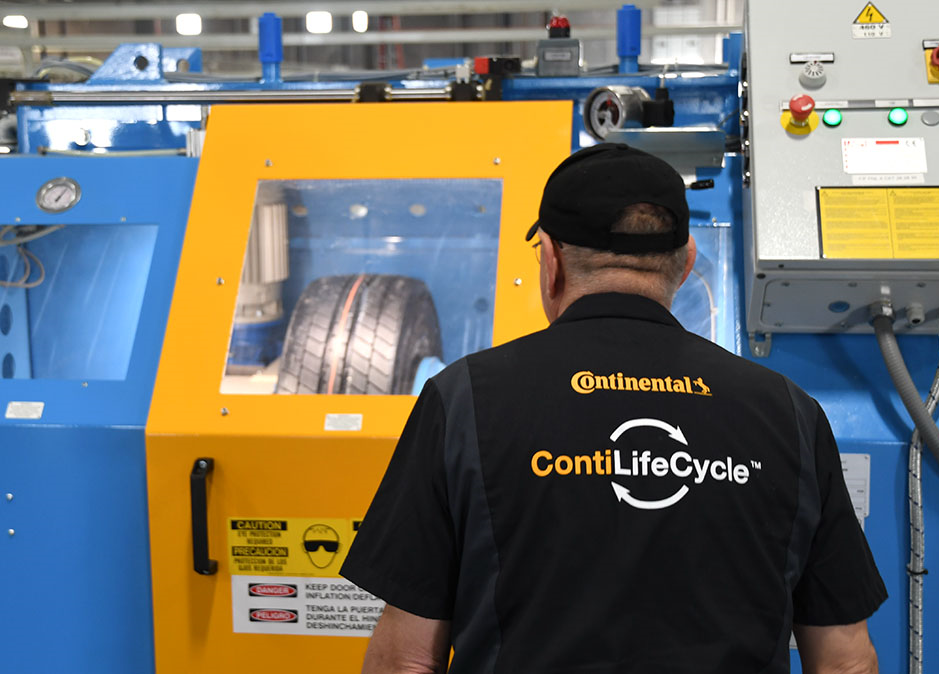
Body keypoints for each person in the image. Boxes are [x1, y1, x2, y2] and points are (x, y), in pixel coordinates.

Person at [340, 143, 886, 673]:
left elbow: (407, 659)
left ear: (550, 261)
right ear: (686, 262)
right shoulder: (788, 412)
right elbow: (844, 661)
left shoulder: (463, 400)